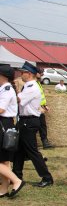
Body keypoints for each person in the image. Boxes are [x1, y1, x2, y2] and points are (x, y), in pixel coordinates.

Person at [13, 62, 54, 188]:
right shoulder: (29, 85)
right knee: (18, 151)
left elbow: (19, 99)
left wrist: (12, 92)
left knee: (32, 151)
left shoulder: (31, 87)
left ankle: (47, 177)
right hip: (25, 120)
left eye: (22, 72)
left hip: (29, 121)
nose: (20, 75)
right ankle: (16, 177)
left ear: (29, 74)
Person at [0, 64, 25, 198]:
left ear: (3, 76)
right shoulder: (5, 89)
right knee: (4, 161)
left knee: (2, 159)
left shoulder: (7, 89)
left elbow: (1, 109)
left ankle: (16, 181)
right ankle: (4, 188)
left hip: (4, 124)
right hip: (4, 123)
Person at [35, 71, 54, 149]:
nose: (42, 75)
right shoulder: (33, 84)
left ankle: (45, 142)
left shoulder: (38, 83)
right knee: (35, 126)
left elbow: (41, 96)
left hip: (41, 108)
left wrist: (44, 105)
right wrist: (39, 107)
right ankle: (34, 144)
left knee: (42, 126)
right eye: (40, 73)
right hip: (36, 108)